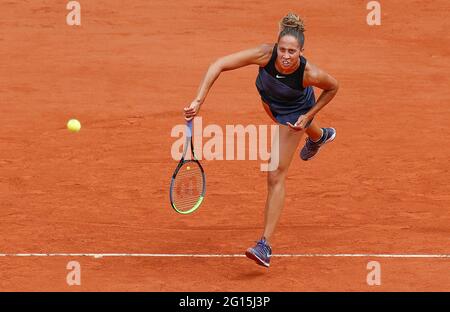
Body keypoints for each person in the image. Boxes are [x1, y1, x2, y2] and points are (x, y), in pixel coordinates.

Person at [183, 12, 339, 267]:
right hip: (271, 104)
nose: (287, 56)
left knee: (275, 172)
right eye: (283, 50)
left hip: (294, 113)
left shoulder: (309, 73)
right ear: (277, 47)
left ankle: (264, 245)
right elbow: (218, 64)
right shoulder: (264, 54)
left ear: (301, 52)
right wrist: (198, 100)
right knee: (291, 126)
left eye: (293, 52)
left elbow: (333, 87)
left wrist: (308, 114)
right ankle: (320, 136)